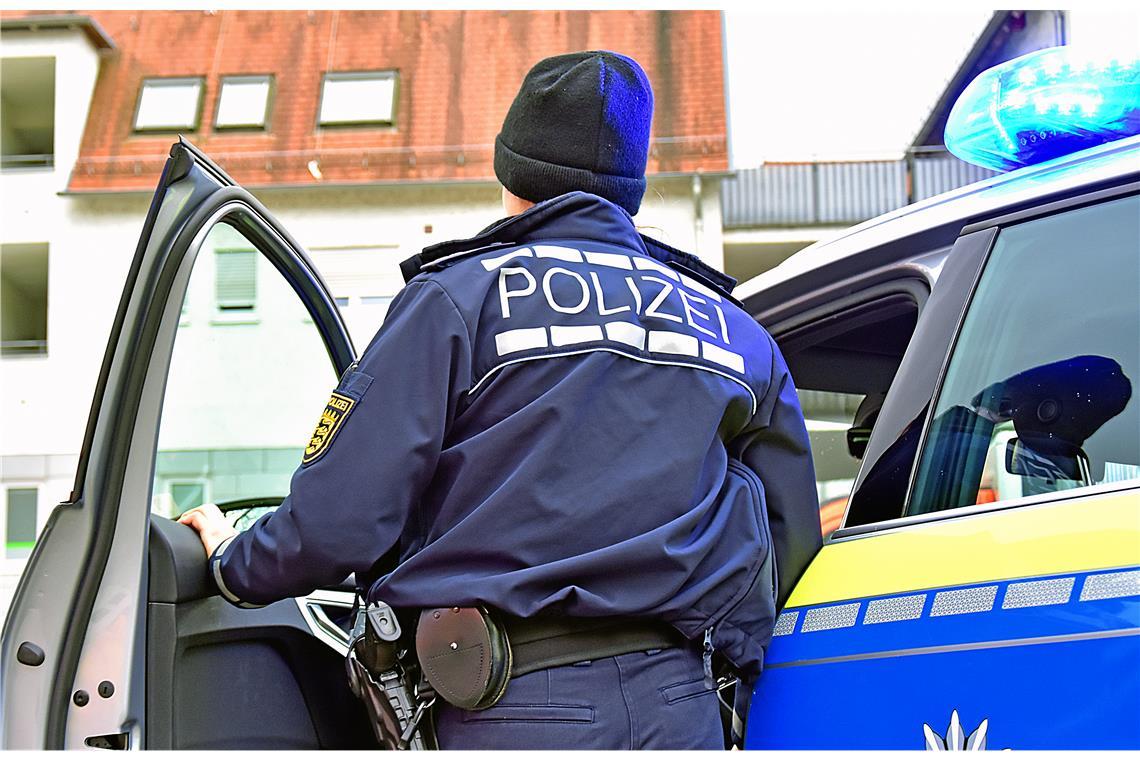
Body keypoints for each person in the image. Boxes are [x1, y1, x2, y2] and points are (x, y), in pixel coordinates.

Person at [179, 50, 822, 750]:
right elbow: (788, 541)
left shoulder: (459, 301)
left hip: (514, 703)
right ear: (630, 187)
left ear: (511, 173)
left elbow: (339, 520)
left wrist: (232, 564)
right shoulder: (735, 332)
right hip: (682, 706)